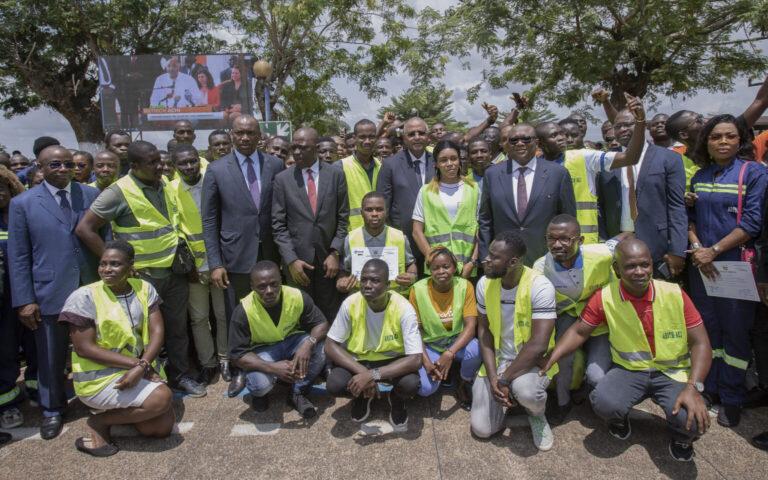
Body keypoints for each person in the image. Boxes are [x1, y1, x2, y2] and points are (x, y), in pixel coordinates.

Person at [542, 239, 712, 462]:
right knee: (603, 403)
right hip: (630, 371)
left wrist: (693, 387)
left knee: (693, 417)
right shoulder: (605, 296)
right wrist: (550, 359)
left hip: (672, 373)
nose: (640, 272)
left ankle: (682, 437)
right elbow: (579, 332)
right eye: (631, 266)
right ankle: (619, 419)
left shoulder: (674, 294)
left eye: (645, 265)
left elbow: (701, 343)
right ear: (616, 269)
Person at [75, 141, 207, 398]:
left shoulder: (166, 183)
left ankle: (180, 376)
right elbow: (84, 229)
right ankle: (147, 376)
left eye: (160, 160)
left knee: (177, 328)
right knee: (143, 333)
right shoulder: (118, 192)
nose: (160, 166)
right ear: (133, 166)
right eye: (152, 163)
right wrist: (116, 264)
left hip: (173, 271)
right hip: (142, 277)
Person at [8, 146, 102, 439]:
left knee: (98, 347)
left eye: (69, 164)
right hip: (49, 290)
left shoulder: (90, 196)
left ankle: (99, 399)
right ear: (40, 166)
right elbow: (19, 256)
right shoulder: (23, 204)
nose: (63, 169)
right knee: (50, 354)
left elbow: (104, 238)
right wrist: (25, 300)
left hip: (90, 287)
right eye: (55, 164)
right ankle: (52, 410)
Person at [686, 114, 768, 427]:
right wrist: (696, 245)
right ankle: (712, 389)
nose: (723, 142)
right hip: (701, 265)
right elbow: (690, 216)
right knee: (708, 329)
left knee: (735, 332)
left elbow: (751, 223)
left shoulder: (754, 173)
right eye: (716, 136)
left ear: (740, 140)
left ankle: (732, 396)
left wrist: (714, 250)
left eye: (730, 136)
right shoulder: (700, 175)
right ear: (706, 141)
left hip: (733, 264)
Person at [59, 241, 174, 457]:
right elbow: (85, 349)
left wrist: (142, 366)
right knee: (161, 399)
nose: (107, 270)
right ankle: (99, 421)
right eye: (103, 264)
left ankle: (119, 410)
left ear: (131, 265)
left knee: (159, 429)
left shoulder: (144, 288)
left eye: (115, 264)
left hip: (139, 371)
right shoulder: (84, 297)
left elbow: (157, 332)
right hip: (100, 378)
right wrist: (139, 365)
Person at [201, 115, 285, 397]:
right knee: (237, 315)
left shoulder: (275, 164)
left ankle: (271, 363)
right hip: (234, 255)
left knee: (272, 310)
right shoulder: (216, 169)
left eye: (251, 133)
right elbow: (209, 220)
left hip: (270, 253)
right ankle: (239, 368)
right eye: (240, 133)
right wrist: (215, 263)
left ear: (260, 135)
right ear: (232, 135)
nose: (245, 138)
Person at [471, 231, 558, 451]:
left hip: (529, 362)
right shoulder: (484, 283)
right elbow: (484, 331)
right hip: (499, 359)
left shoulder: (540, 286)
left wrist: (505, 380)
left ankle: (536, 414)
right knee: (482, 430)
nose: (487, 260)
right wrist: (493, 378)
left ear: (513, 262)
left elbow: (538, 344)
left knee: (528, 392)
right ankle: (507, 403)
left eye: (493, 257)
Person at [532, 215, 617, 424]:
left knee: (596, 375)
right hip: (568, 317)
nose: (557, 244)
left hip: (599, 320)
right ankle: (563, 402)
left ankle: (591, 390)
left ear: (580, 241)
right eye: (551, 239)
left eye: (565, 239)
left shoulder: (601, 254)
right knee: (563, 359)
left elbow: (625, 238)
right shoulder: (541, 268)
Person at [535, 93, 647, 244]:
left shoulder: (584, 157)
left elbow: (630, 157)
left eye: (562, 134)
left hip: (584, 243)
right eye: (555, 135)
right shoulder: (533, 167)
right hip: (547, 244)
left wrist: (640, 121)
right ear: (539, 144)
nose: (563, 138)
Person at [325, 259, 422, 429]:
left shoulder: (404, 308)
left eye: (375, 281)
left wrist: (373, 375)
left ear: (387, 285)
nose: (367, 285)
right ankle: (362, 395)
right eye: (364, 280)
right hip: (360, 361)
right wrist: (363, 373)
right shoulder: (351, 303)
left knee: (410, 384)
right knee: (335, 384)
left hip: (391, 361)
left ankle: (396, 399)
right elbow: (330, 345)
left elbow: (415, 359)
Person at [597, 104, 687, 279]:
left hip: (657, 247)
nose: (622, 129)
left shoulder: (669, 158)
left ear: (642, 126)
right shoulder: (606, 161)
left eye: (628, 124)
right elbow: (600, 206)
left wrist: (677, 250)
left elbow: (677, 207)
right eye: (617, 126)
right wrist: (603, 243)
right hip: (617, 244)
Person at [228, 261, 329, 418]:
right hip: (263, 351)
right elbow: (237, 355)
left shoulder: (296, 296)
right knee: (259, 385)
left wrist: (308, 344)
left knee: (321, 347)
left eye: (274, 284)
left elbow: (321, 324)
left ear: (281, 281)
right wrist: (272, 368)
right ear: (252, 287)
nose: (269, 291)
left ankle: (297, 392)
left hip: (292, 341)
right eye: (262, 287)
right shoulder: (243, 311)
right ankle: (260, 394)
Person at [272, 127, 349, 321]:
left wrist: (335, 252)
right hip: (299, 264)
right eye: (294, 147)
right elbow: (278, 225)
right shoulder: (283, 180)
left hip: (327, 261)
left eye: (302, 148)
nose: (296, 152)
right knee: (300, 314)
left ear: (316, 148)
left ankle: (328, 351)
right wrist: (291, 260)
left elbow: (342, 218)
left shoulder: (335, 175)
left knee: (329, 313)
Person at [478, 123, 576, 267]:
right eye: (513, 140)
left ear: (536, 143)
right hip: (504, 260)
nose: (519, 143)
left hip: (546, 259)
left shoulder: (558, 174)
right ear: (507, 145)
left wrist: (568, 254)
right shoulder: (492, 174)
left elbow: (568, 218)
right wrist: (485, 257)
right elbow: (485, 221)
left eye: (526, 139)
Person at [170, 145, 229, 384]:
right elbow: (173, 229)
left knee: (223, 315)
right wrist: (187, 266)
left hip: (219, 264)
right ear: (175, 167)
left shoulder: (212, 182)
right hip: (193, 269)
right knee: (199, 318)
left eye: (193, 161)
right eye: (182, 163)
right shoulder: (170, 189)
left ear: (200, 160)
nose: (189, 167)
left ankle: (225, 358)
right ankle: (208, 363)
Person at [411, 247, 481, 407]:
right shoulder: (418, 290)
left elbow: (471, 326)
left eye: (446, 266)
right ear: (428, 270)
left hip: (456, 344)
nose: (441, 271)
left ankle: (462, 384)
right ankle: (439, 372)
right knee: (426, 390)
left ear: (455, 267)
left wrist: (449, 353)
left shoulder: (465, 286)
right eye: (435, 268)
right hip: (431, 346)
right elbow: (415, 332)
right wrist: (427, 362)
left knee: (476, 350)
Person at [0, 167, 37, 430]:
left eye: (3, 186)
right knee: (5, 349)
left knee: (35, 345)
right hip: (3, 299)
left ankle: (37, 389)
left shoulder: (22, 213)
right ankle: (8, 404)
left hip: (29, 292)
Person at [412, 140, 480, 279]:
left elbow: (481, 230)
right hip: (436, 272)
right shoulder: (426, 192)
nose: (450, 164)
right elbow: (417, 231)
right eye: (443, 160)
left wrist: (472, 262)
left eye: (454, 159)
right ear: (436, 164)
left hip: (466, 269)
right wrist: (434, 261)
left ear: (459, 161)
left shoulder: (473, 189)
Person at [376, 117, 435, 273]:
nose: (417, 137)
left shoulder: (438, 161)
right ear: (403, 136)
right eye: (411, 134)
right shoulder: (390, 164)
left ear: (428, 136)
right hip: (403, 241)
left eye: (421, 133)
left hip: (436, 240)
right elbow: (384, 205)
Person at [336, 191, 417, 296]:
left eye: (379, 209)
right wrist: (341, 281)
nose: (374, 214)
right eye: (369, 210)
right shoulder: (351, 239)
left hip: (395, 300)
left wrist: (412, 276)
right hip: (362, 300)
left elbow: (410, 264)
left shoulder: (399, 237)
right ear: (362, 213)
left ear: (386, 212)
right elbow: (344, 270)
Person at [338, 120, 381, 231]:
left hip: (378, 233)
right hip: (350, 234)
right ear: (354, 138)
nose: (367, 141)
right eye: (362, 137)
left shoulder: (382, 167)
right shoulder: (340, 167)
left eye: (371, 137)